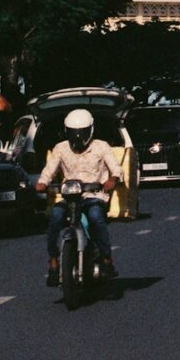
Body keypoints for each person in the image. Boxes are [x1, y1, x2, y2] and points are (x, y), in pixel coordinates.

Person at [36, 108, 121, 286]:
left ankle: (106, 259)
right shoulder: (60, 148)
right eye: (74, 133)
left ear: (90, 130)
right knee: (55, 218)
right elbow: (49, 170)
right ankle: (53, 260)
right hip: (69, 195)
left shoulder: (101, 146)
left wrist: (112, 179)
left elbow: (116, 169)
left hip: (94, 195)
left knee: (96, 217)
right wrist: (42, 182)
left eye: (81, 132)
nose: (77, 137)